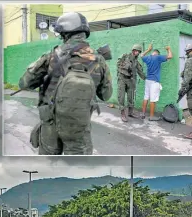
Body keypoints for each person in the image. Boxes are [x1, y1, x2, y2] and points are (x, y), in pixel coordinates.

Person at [18, 12, 112, 155]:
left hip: (50, 124)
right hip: (79, 126)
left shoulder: (51, 56)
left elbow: (24, 83)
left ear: (64, 33)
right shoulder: (99, 60)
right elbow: (106, 95)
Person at [140, 44, 172, 120]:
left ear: (153, 52)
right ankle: (151, 117)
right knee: (153, 99)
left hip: (148, 80)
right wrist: (168, 49)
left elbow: (141, 55)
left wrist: (148, 49)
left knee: (146, 97)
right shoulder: (158, 57)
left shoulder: (148, 58)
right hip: (154, 81)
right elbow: (170, 56)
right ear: (157, 53)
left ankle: (143, 114)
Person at [117, 44, 146, 122]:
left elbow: (140, 71)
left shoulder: (136, 62)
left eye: (139, 52)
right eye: (137, 51)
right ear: (133, 50)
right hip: (122, 79)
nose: (138, 53)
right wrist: (127, 68)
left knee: (131, 96)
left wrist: (146, 78)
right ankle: (122, 113)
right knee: (121, 96)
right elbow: (118, 65)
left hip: (130, 80)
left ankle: (130, 112)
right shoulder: (124, 56)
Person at [179, 44, 192, 139]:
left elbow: (187, 78)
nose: (186, 53)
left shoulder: (190, 60)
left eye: (187, 51)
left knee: (190, 109)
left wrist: (181, 90)